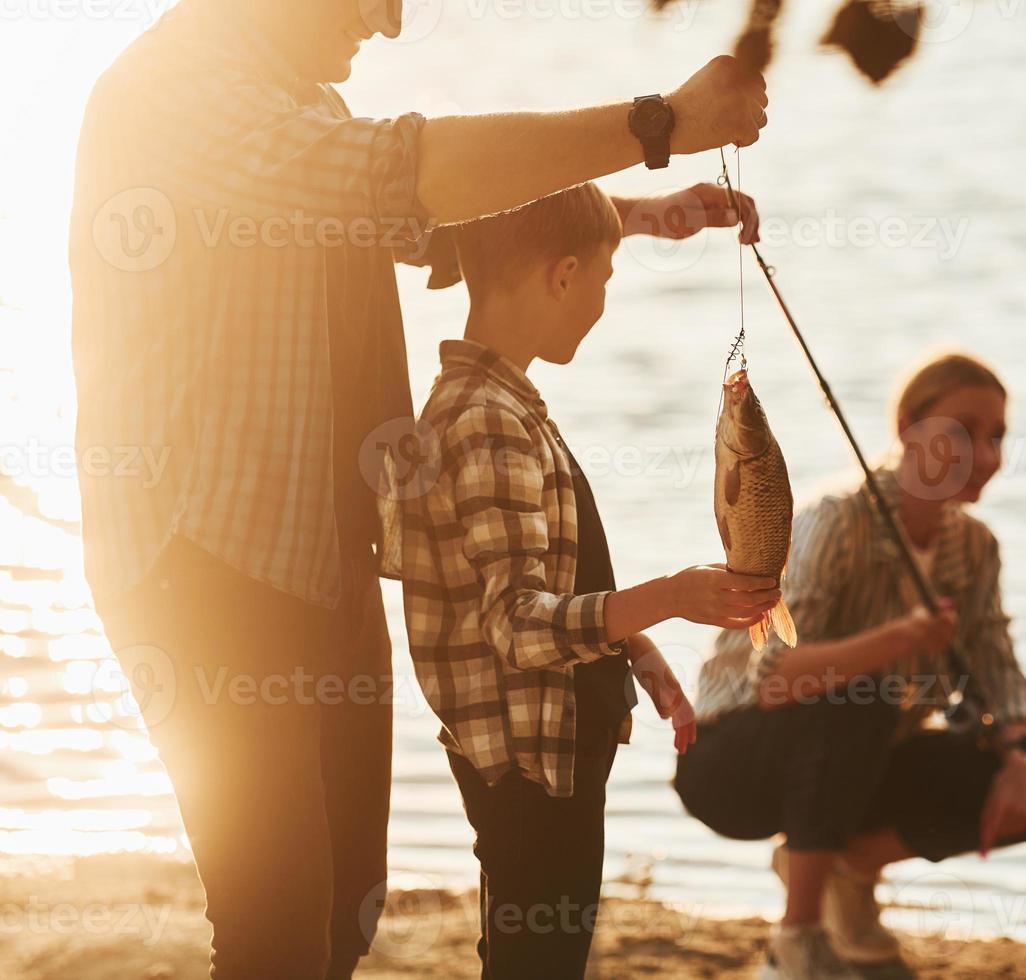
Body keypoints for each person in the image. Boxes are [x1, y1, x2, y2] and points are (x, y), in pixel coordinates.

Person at [68, 0, 767, 975]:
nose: (390, 27)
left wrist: (632, 216)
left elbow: (442, 228)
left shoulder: (289, 95)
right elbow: (405, 171)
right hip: (206, 561)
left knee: (348, 906)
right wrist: (657, 124)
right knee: (275, 921)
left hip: (320, 554)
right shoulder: (180, 92)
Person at [394, 181, 783, 978]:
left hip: (545, 751)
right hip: (529, 764)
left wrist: (636, 650)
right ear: (563, 275)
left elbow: (528, 578)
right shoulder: (487, 419)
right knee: (537, 962)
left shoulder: (500, 402)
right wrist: (674, 596)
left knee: (532, 956)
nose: (603, 302)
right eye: (604, 279)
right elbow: (516, 623)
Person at [674, 352, 1026, 980]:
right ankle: (796, 937)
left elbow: (998, 669)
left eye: (996, 437)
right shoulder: (836, 518)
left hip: (858, 759)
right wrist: (899, 639)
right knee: (859, 699)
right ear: (909, 426)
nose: (986, 454)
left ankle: (849, 870)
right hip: (731, 761)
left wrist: (1017, 754)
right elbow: (777, 681)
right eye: (963, 430)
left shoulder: (976, 546)